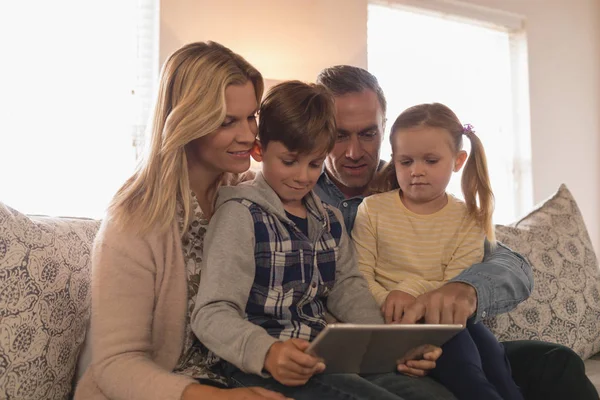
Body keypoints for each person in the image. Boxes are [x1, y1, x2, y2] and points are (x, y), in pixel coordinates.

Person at [314, 65, 600, 400]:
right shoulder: (299, 196)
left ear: (384, 130)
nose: (353, 152)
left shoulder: (423, 189)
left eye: (367, 134)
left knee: (557, 361)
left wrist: (465, 287)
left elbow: (511, 264)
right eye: (339, 135)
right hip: (372, 350)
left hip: (450, 335)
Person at [191, 80, 452, 400]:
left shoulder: (329, 220)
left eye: (314, 164)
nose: (302, 176)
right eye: (289, 161)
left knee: (437, 396)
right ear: (259, 150)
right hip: (258, 366)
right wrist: (267, 352)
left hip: (322, 359)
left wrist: (391, 347)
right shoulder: (240, 214)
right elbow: (211, 313)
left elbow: (348, 289)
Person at [74, 41, 291, 400]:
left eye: (251, 117)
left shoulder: (249, 195)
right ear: (187, 121)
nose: (248, 134)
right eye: (227, 121)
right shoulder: (133, 221)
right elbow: (116, 363)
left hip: (237, 377)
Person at [352, 102, 524, 399]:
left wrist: (409, 290)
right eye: (406, 162)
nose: (417, 171)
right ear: (393, 161)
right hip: (394, 321)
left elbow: (456, 281)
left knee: (493, 360)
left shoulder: (469, 216)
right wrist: (391, 300)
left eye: (431, 161)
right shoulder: (373, 210)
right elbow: (358, 273)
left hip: (446, 317)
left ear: (457, 161)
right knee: (468, 371)